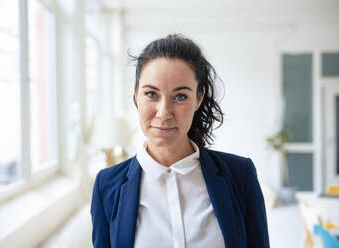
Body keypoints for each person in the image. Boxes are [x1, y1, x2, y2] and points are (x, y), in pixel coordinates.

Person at [91, 34, 270, 248]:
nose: (164, 112)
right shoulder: (107, 185)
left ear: (199, 98)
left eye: (181, 96)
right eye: (151, 94)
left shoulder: (240, 174)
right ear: (136, 93)